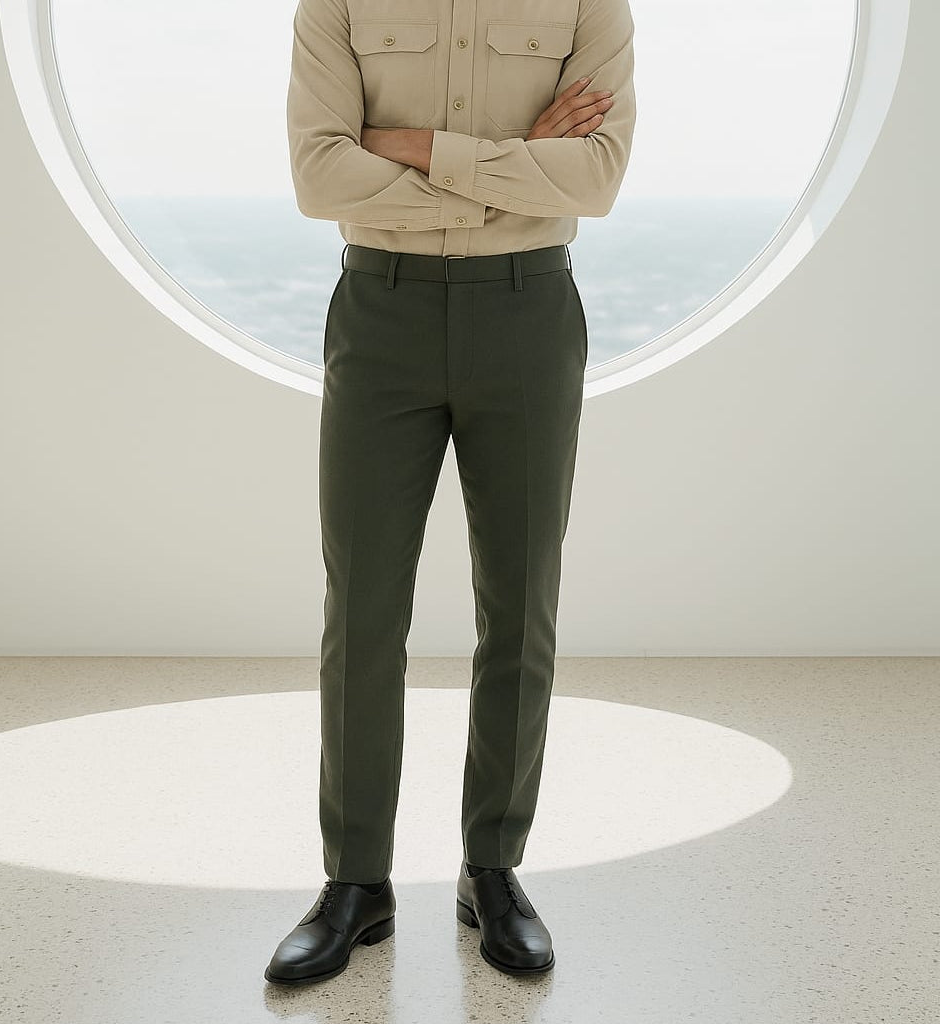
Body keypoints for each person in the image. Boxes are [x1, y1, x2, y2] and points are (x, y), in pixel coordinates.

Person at [266, 0, 636, 986]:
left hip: (529, 312)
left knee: (520, 605)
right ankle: (356, 883)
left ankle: (493, 870)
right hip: (378, 313)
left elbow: (596, 176)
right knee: (364, 605)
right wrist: (511, 163)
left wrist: (416, 149)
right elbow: (318, 176)